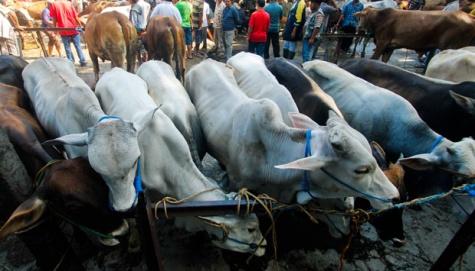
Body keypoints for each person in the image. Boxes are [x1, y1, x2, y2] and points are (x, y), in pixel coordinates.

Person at [48, 0, 87, 66]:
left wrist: (55, 28)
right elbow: (75, 16)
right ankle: (82, 60)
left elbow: (54, 18)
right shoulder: (69, 3)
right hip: (73, 28)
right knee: (77, 46)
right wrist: (80, 26)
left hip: (63, 29)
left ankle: (71, 61)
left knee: (67, 46)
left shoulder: (54, 5)